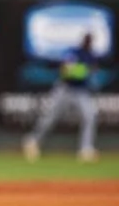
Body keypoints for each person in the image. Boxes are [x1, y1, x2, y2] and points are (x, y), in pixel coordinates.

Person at [22, 33, 99, 163]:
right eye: (87, 40)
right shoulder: (74, 52)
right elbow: (65, 71)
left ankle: (86, 149)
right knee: (49, 117)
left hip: (81, 91)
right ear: (83, 40)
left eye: (90, 41)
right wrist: (83, 70)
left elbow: (91, 71)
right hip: (64, 89)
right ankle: (32, 142)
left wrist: (81, 70)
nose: (88, 42)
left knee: (90, 116)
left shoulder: (90, 56)